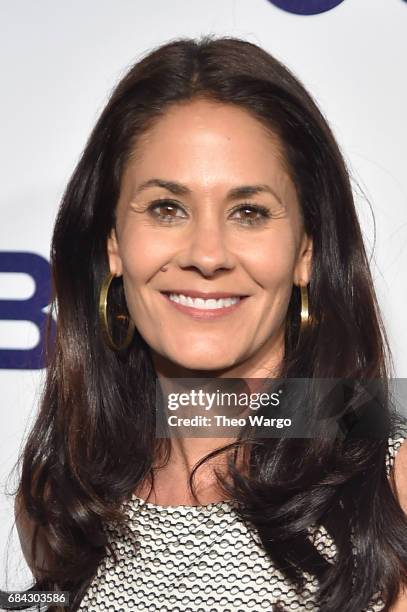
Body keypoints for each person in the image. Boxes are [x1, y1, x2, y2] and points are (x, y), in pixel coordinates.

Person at [12, 35, 407, 611]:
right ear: (114, 244)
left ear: (306, 254)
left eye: (249, 212)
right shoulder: (63, 497)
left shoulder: (389, 485)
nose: (207, 253)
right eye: (166, 208)